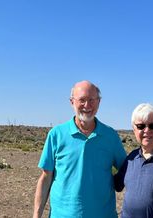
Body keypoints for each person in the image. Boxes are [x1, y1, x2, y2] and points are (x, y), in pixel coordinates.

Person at [33, 80, 127, 218]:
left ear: (99, 102)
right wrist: (36, 215)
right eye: (81, 100)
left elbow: (127, 171)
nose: (87, 105)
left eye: (91, 100)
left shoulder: (110, 136)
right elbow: (46, 177)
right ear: (72, 102)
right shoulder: (56, 135)